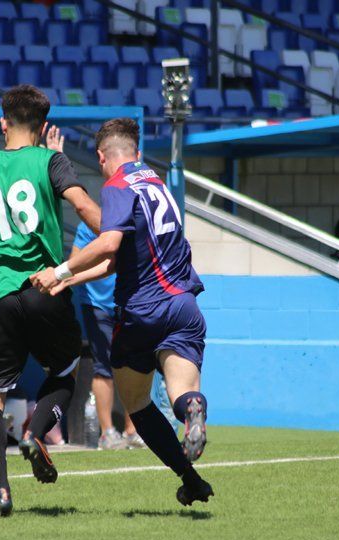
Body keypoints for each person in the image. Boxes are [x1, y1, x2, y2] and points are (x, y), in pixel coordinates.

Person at [0, 84, 101, 516]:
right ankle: (36, 433)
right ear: (43, 127)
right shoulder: (51, 160)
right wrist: (118, 233)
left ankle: (0, 492)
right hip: (43, 288)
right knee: (65, 372)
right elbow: (83, 206)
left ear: (2, 123)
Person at [31, 117, 213, 508]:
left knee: (137, 404)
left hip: (141, 312)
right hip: (183, 306)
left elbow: (109, 242)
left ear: (101, 157)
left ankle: (188, 475)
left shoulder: (116, 186)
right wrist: (70, 281)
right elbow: (119, 259)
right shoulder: (157, 182)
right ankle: (193, 427)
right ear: (137, 153)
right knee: (182, 391)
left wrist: (60, 270)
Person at [71, 221, 143, 450]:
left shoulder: (131, 224)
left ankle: (133, 431)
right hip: (96, 304)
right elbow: (75, 260)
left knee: (132, 365)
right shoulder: (86, 226)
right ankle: (107, 433)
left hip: (130, 302)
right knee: (103, 366)